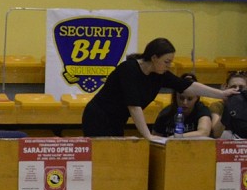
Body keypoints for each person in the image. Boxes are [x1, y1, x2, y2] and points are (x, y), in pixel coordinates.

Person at [81, 38, 236, 142]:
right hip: (98, 117)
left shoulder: (159, 74)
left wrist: (221, 94)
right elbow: (134, 106)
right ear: (154, 58)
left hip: (117, 120)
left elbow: (187, 86)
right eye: (166, 61)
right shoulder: (128, 69)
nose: (169, 65)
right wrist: (148, 135)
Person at [151, 72, 213, 138]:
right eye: (181, 98)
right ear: (175, 96)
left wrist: (176, 137)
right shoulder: (165, 114)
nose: (185, 103)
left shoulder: (202, 110)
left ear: (197, 97)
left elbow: (204, 133)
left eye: (189, 99)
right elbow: (155, 139)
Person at [211, 71, 247, 138]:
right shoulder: (218, 105)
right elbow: (216, 133)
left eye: (241, 87)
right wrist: (228, 106)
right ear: (226, 88)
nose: (237, 90)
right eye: (233, 87)